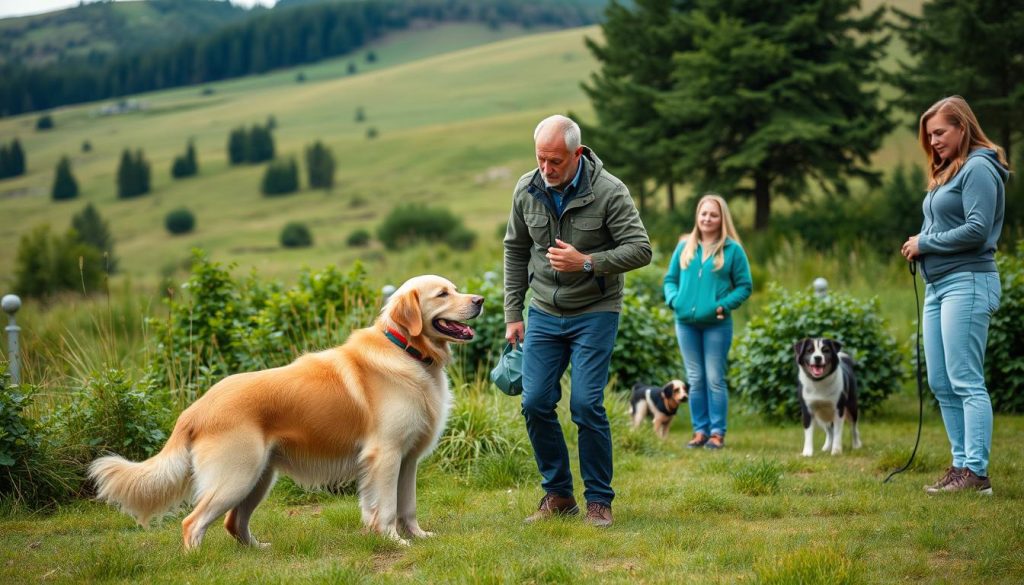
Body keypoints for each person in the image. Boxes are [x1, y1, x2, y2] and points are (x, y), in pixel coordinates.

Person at [504, 114, 652, 528]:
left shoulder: (609, 191)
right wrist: (513, 312)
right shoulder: (526, 188)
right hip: (544, 312)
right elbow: (515, 250)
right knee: (534, 402)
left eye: (556, 161)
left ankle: (599, 501)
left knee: (586, 404)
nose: (546, 170)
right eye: (541, 159)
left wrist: (587, 262)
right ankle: (558, 495)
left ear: (578, 154)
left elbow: (641, 249)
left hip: (595, 311)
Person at [901, 95, 1009, 495]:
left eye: (940, 132)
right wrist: (920, 244)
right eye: (929, 135)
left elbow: (978, 229)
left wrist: (925, 242)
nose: (934, 142)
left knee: (965, 380)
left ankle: (977, 474)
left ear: (963, 127)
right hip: (938, 287)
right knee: (942, 383)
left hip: (968, 281)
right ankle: (960, 465)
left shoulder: (980, 166)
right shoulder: (950, 169)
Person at [663, 194, 752, 450]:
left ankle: (717, 433)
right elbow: (670, 280)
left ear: (721, 218)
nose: (707, 219)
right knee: (696, 378)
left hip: (717, 324)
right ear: (697, 216)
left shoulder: (733, 250)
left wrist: (722, 305)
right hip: (685, 323)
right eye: (703, 214)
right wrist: (674, 300)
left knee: (714, 378)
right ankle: (699, 432)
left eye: (713, 214)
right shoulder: (684, 247)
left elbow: (745, 286)